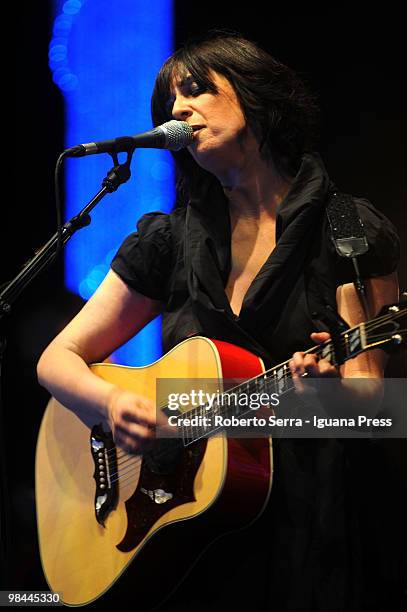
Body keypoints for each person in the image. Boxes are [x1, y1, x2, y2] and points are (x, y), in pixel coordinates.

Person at [37, 32, 400, 611]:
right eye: (170, 104)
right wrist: (111, 407)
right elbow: (56, 360)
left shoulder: (349, 231)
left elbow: (376, 404)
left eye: (198, 92)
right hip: (196, 538)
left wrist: (326, 401)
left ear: (258, 97)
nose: (179, 111)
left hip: (313, 523)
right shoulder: (168, 239)